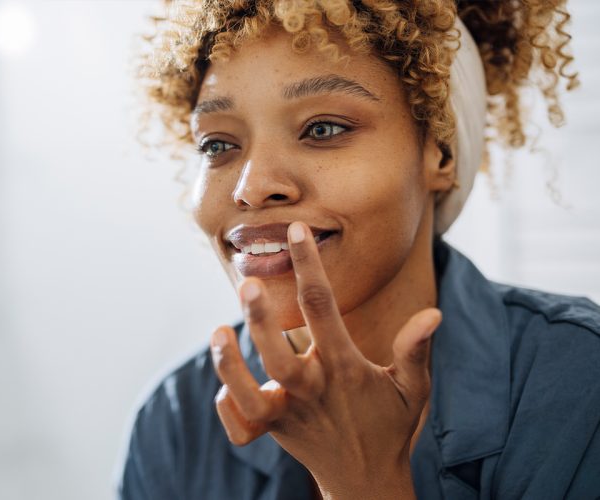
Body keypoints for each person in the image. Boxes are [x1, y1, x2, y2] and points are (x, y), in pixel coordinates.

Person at [119, 0, 600, 498]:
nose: (253, 186)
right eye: (217, 145)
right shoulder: (172, 425)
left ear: (440, 152)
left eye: (323, 129)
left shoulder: (580, 379)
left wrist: (362, 481)